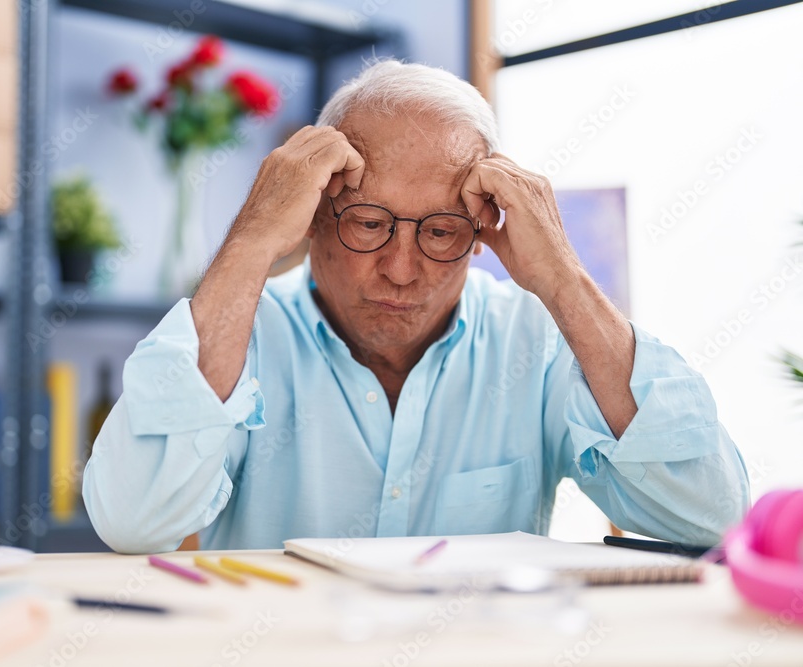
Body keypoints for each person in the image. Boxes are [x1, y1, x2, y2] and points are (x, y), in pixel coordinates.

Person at [82, 60, 750, 553]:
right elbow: (134, 521)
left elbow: (710, 515)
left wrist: (564, 280)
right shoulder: (243, 336)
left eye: (440, 231)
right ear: (314, 215)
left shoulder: (533, 343)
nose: (402, 270)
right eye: (368, 224)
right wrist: (252, 239)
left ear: (485, 230)